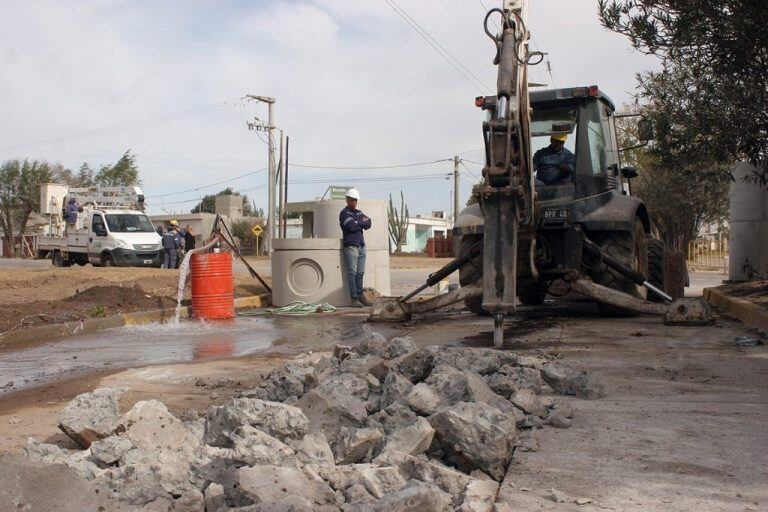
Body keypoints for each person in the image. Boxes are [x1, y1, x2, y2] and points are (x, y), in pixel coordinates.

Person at [339, 188, 372, 308]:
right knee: (352, 272)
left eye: (355, 200)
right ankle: (354, 298)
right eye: (352, 200)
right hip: (351, 246)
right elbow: (351, 227)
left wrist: (357, 223)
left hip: (361, 245)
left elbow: (369, 223)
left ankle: (360, 296)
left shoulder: (358, 213)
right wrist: (359, 223)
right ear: (347, 200)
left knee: (360, 272)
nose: (354, 202)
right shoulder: (344, 213)